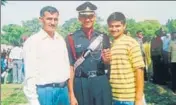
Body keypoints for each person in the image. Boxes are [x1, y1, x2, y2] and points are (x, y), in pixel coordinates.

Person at [65, 2, 112, 105]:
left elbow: (108, 64)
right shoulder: (71, 38)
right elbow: (71, 67)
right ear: (79, 18)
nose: (87, 19)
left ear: (94, 17)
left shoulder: (103, 37)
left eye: (90, 16)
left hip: (100, 81)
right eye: (84, 16)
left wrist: (107, 61)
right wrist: (71, 94)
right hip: (81, 83)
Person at [23, 6, 71, 105]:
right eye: (49, 19)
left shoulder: (60, 40)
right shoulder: (33, 41)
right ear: (41, 20)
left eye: (55, 19)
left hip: (63, 91)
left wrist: (69, 93)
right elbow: (30, 73)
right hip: (45, 92)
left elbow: (66, 66)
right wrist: (33, 101)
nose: (52, 22)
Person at [103, 12, 145, 105]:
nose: (114, 29)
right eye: (111, 26)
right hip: (114, 96)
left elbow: (139, 70)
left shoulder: (131, 43)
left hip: (129, 98)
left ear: (124, 26)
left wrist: (138, 99)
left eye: (117, 26)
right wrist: (107, 62)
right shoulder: (111, 44)